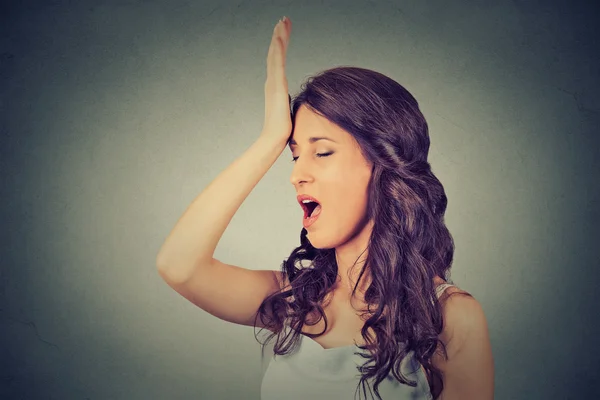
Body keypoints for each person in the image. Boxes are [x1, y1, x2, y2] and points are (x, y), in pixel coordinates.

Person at [156, 16, 494, 400]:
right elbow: (179, 266)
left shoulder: (449, 318)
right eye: (295, 155)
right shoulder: (292, 301)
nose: (297, 175)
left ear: (384, 162)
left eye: (322, 151)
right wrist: (269, 140)